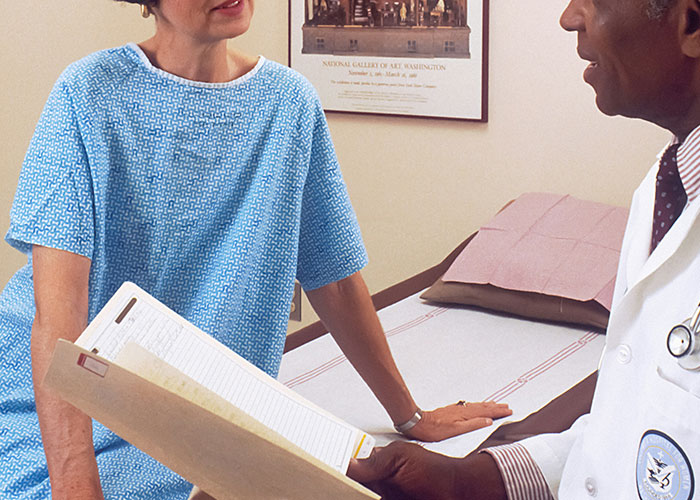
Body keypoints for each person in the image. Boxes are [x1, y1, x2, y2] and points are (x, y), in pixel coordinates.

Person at [0, 0, 512, 498]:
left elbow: (333, 277)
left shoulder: (289, 103)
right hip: (66, 395)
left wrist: (410, 416)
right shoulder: (87, 93)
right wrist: (75, 487)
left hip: (207, 407)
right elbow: (57, 314)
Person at [348, 0, 700, 498]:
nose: (569, 17)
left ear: (691, 24)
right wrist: (462, 479)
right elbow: (622, 436)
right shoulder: (663, 192)